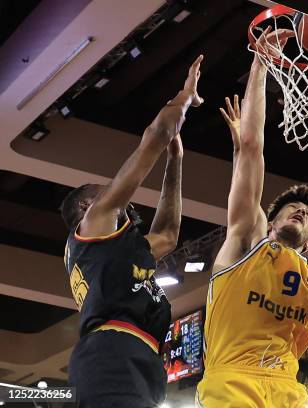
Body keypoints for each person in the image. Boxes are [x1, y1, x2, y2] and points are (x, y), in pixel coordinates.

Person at [196, 28, 308, 407]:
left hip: (286, 388)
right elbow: (251, 146)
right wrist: (262, 62)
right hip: (233, 380)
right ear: (270, 218)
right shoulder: (246, 239)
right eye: (293, 209)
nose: (301, 211)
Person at [60, 55, 205, 408]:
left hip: (137, 353)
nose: (112, 193)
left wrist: (176, 161)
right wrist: (185, 97)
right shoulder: (94, 224)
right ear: (85, 207)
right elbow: (155, 134)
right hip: (112, 350)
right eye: (101, 190)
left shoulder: (113, 250)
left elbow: (168, 234)